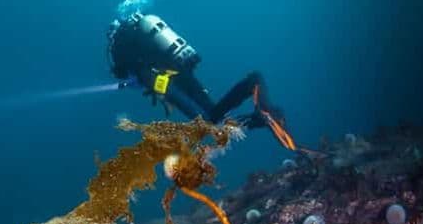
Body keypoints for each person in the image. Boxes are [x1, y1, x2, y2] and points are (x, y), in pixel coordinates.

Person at [108, 12, 298, 151]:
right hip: (181, 68)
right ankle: (258, 109)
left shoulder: (119, 45)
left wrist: (131, 79)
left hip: (167, 84)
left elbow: (122, 72)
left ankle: (253, 88)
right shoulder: (141, 31)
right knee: (214, 118)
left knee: (209, 122)